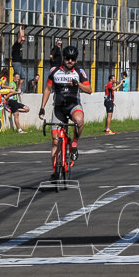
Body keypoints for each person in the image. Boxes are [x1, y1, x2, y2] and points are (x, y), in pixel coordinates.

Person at [39, 44, 93, 179]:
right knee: (55, 141)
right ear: (63, 58)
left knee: (79, 121)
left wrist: (77, 84)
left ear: (76, 60)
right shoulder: (54, 70)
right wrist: (42, 107)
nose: (70, 61)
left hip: (74, 105)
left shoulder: (79, 72)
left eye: (73, 59)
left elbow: (89, 90)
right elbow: (47, 89)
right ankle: (55, 171)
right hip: (59, 108)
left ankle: (74, 144)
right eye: (68, 58)